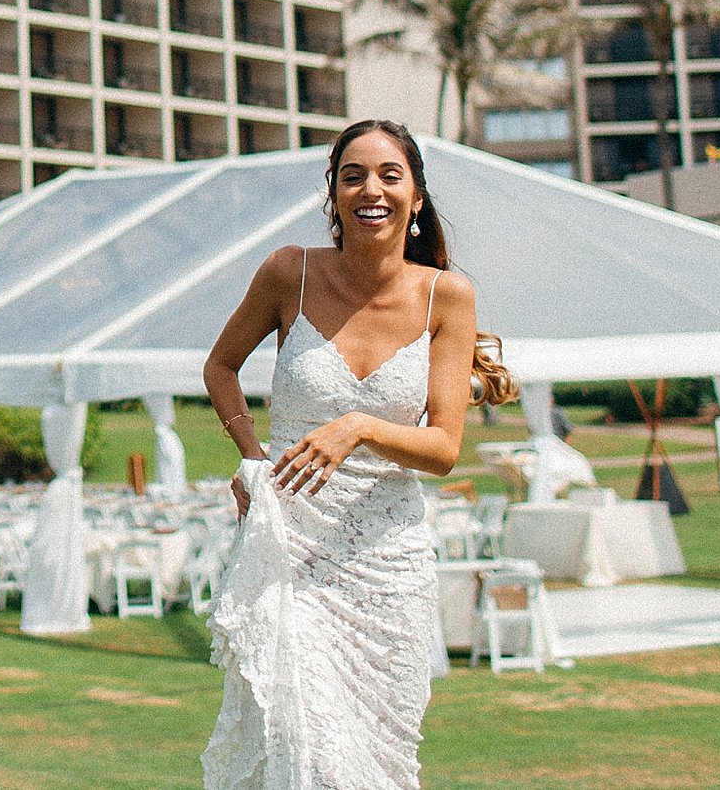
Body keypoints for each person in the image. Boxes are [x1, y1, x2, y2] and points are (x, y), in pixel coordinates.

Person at [200, 119, 516, 790]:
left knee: (377, 765)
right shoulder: (290, 271)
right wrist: (253, 457)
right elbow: (221, 366)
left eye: (389, 174)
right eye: (353, 174)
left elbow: (444, 447)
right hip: (291, 551)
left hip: (387, 567)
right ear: (334, 195)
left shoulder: (446, 296)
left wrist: (360, 426)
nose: (371, 188)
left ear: (417, 196)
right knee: (300, 745)